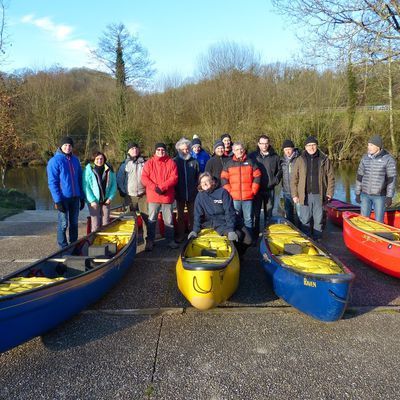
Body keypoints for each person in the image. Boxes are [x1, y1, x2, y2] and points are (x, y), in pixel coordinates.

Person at [188, 172, 252, 256]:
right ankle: (235, 256)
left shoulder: (223, 192)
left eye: (207, 181)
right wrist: (195, 230)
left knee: (249, 240)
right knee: (238, 235)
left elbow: (229, 211)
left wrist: (230, 229)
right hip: (218, 223)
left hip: (230, 219)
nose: (204, 184)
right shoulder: (200, 196)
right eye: (202, 182)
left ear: (212, 182)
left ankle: (238, 255)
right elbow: (197, 215)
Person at [290, 136, 335, 241]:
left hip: (319, 194)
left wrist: (329, 193)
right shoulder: (300, 160)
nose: (311, 147)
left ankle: (317, 238)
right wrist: (294, 194)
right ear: (305, 147)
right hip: (304, 195)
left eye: (313, 145)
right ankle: (307, 239)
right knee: (305, 219)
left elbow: (331, 177)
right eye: (309, 145)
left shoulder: (324, 159)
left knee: (318, 219)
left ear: (317, 146)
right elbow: (294, 179)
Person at [47, 136, 85, 248]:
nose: (68, 147)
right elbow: (52, 183)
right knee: (63, 224)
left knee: (74, 223)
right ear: (61, 146)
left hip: (75, 197)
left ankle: (73, 244)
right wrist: (57, 201)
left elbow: (79, 179)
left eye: (70, 145)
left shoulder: (75, 160)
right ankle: (63, 246)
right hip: (63, 198)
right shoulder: (54, 161)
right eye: (65, 145)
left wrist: (82, 197)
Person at [141, 142, 179, 250]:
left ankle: (170, 240)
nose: (160, 152)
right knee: (152, 219)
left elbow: (174, 178)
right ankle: (150, 241)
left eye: (162, 150)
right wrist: (155, 187)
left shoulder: (171, 162)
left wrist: (162, 187)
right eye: (158, 150)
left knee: (169, 220)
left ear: (165, 151)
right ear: (155, 151)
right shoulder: (149, 163)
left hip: (167, 196)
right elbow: (144, 178)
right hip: (153, 196)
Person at [220, 142, 261, 234]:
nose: (240, 151)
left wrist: (253, 191)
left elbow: (257, 175)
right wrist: (230, 191)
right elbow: (223, 178)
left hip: (248, 197)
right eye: (237, 149)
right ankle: (237, 239)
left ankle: (249, 239)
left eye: (241, 149)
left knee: (248, 219)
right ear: (233, 151)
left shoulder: (251, 162)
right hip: (234, 198)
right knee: (234, 218)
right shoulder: (229, 163)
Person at [355, 135, 397, 223]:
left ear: (378, 147)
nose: (368, 147)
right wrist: (358, 193)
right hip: (365, 195)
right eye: (368, 144)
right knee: (363, 221)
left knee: (378, 222)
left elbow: (391, 179)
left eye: (371, 145)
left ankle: (377, 236)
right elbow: (359, 176)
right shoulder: (364, 158)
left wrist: (389, 196)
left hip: (380, 196)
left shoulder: (388, 159)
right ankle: (363, 236)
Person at [117, 142, 150, 250]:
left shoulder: (144, 163)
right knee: (129, 220)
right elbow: (120, 179)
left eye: (136, 148)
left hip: (143, 195)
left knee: (147, 219)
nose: (134, 150)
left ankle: (148, 241)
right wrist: (122, 191)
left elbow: (149, 177)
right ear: (128, 151)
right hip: (130, 196)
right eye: (132, 148)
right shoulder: (124, 164)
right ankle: (128, 243)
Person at [249, 135, 282, 236]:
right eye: (262, 143)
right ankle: (255, 235)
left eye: (266, 143)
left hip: (269, 189)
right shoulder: (252, 156)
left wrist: (275, 180)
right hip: (256, 190)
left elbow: (280, 171)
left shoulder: (275, 156)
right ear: (258, 144)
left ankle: (268, 235)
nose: (264, 145)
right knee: (256, 214)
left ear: (269, 144)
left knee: (269, 214)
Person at [83, 151, 117, 232]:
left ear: (104, 159)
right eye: (97, 159)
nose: (99, 160)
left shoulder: (109, 169)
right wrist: (92, 200)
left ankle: (105, 241)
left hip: (106, 200)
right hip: (93, 201)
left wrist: (110, 198)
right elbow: (86, 186)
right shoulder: (88, 170)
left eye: (101, 159)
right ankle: (94, 241)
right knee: (95, 224)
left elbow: (114, 185)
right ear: (94, 160)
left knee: (106, 222)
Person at [174, 138, 200, 242]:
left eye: (187, 149)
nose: (186, 151)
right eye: (183, 149)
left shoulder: (194, 162)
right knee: (179, 216)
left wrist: (198, 189)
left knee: (193, 215)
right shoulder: (175, 162)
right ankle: (180, 235)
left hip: (192, 193)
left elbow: (198, 177)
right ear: (179, 150)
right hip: (179, 193)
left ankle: (192, 234)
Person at [280, 139, 300, 225]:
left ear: (293, 149)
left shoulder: (299, 159)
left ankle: (301, 232)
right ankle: (291, 229)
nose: (287, 151)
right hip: (286, 191)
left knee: (300, 215)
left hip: (298, 191)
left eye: (289, 149)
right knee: (288, 214)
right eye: (285, 149)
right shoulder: (281, 161)